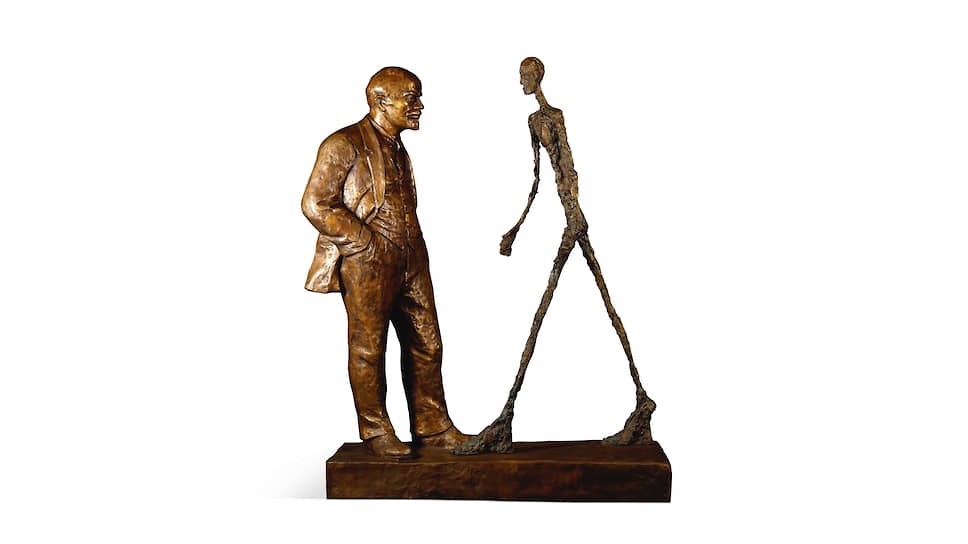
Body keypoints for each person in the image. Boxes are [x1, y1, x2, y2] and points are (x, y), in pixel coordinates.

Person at [301, 67, 468, 457]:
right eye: (411, 98)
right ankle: (375, 430)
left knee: (427, 342)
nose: (419, 105)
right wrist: (365, 242)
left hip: (412, 258)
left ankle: (432, 427)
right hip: (368, 261)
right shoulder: (343, 143)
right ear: (380, 100)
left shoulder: (396, 146)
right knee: (369, 348)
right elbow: (315, 202)